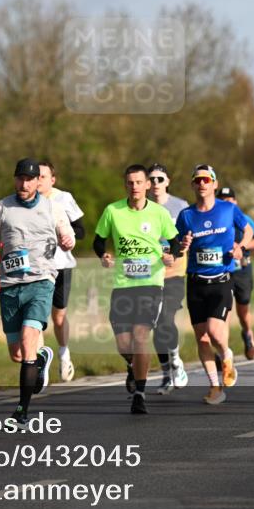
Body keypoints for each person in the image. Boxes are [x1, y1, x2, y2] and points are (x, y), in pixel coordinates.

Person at [0, 158, 75, 427]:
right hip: (10, 285)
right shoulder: (2, 207)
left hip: (41, 281)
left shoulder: (52, 207)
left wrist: (67, 240)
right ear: (15, 180)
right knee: (18, 354)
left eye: (29, 179)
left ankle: (22, 412)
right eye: (20, 178)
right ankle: (42, 356)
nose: (24, 184)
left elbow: (67, 235)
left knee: (28, 338)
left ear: (38, 182)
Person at [94, 165, 178, 414]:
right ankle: (132, 366)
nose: (135, 187)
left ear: (147, 185)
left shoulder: (159, 213)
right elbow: (98, 240)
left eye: (139, 182)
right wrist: (104, 255)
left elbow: (173, 241)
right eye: (130, 182)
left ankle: (140, 395)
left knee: (141, 337)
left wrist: (169, 256)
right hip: (122, 285)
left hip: (151, 284)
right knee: (124, 344)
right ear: (125, 185)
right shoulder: (113, 210)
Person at [171, 164, 253, 405]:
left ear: (215, 184)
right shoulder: (186, 215)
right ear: (193, 185)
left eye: (207, 180)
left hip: (221, 280)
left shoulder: (228, 209)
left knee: (216, 333)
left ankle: (226, 354)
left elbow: (247, 230)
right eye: (198, 181)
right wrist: (182, 244)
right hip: (196, 283)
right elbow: (175, 246)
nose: (202, 184)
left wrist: (241, 247)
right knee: (202, 339)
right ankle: (215, 387)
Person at [37, 160, 85, 383]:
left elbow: (81, 230)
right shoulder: (24, 201)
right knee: (35, 317)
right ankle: (37, 362)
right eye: (35, 176)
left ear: (52, 180)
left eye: (43, 176)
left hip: (62, 264)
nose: (38, 181)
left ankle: (64, 354)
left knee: (58, 317)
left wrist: (66, 235)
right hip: (36, 267)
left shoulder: (63, 198)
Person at [146, 163, 190, 394]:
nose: (155, 184)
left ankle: (175, 361)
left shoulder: (180, 207)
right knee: (155, 324)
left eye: (159, 179)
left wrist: (179, 252)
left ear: (168, 181)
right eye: (151, 179)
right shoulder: (140, 208)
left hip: (174, 273)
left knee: (166, 318)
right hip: (148, 275)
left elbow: (187, 237)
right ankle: (166, 373)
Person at [216, 186, 254, 359]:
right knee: (224, 310)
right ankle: (224, 351)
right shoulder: (216, 219)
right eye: (222, 200)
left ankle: (248, 333)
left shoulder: (243, 218)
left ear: (235, 202)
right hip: (223, 269)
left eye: (229, 200)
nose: (226, 203)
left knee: (243, 310)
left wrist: (241, 247)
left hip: (242, 268)